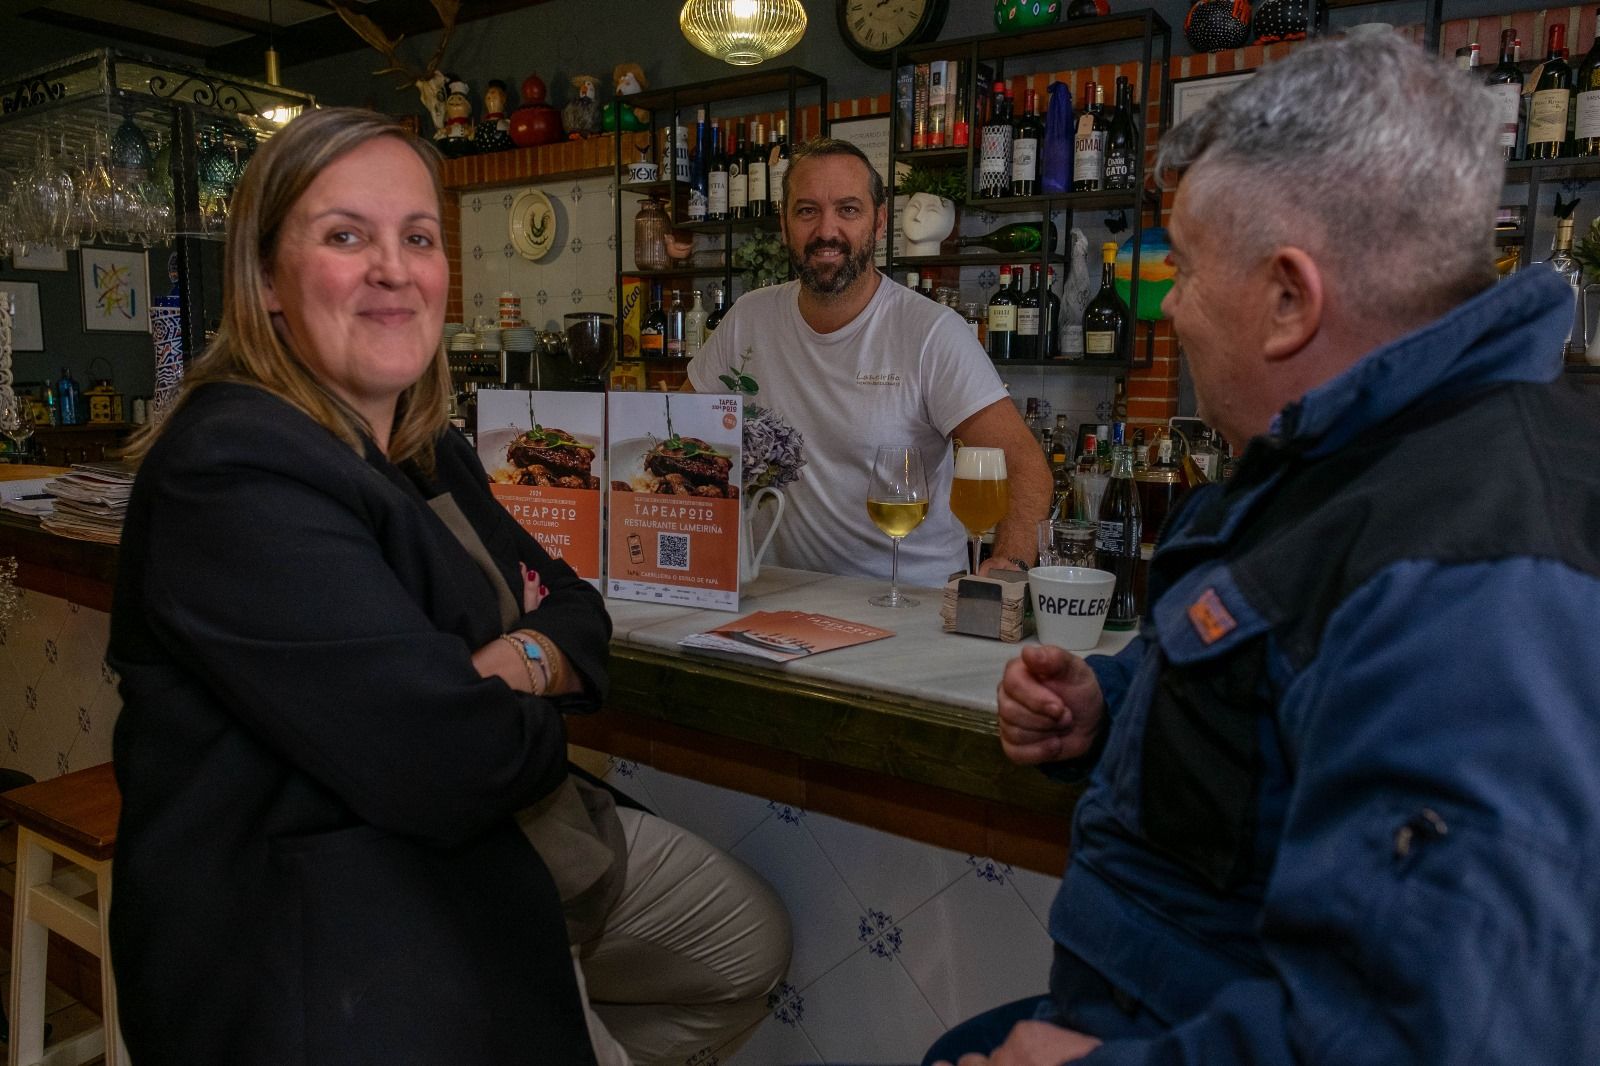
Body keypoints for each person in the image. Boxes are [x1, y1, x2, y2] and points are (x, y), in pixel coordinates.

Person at [927, 34, 1600, 1066]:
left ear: (1290, 298)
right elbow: (1285, 689)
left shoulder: (1476, 570)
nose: (1174, 307)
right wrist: (1114, 703)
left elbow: (1440, 1035)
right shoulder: (1359, 453)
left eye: (1187, 269)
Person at [108, 107, 788, 1066]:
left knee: (745, 944)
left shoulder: (429, 449)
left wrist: (500, 665)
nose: (394, 268)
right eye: (346, 236)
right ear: (265, 280)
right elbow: (448, 758)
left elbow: (577, 611)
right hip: (325, 935)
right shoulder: (230, 469)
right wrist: (504, 694)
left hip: (501, 845)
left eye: (417, 238)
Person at [686, 138, 1050, 586]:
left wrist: (1010, 566)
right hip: (775, 597)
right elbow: (677, 433)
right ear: (784, 224)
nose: (826, 230)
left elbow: (1023, 463)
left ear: (879, 223)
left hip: (910, 605)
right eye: (806, 211)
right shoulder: (748, 319)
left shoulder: (931, 332)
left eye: (848, 210)